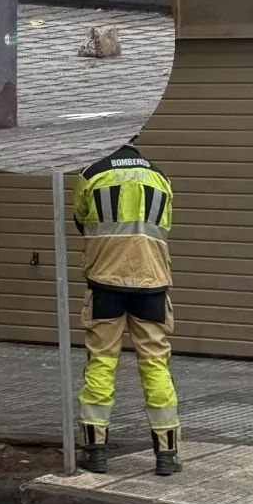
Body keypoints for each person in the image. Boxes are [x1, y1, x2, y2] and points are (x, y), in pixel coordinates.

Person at [72, 133, 181, 476]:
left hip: (105, 284)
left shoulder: (92, 174)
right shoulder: (160, 177)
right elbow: (164, 226)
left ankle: (96, 451)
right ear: (137, 137)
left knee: (102, 364)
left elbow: (80, 219)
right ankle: (166, 454)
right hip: (152, 286)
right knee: (155, 365)